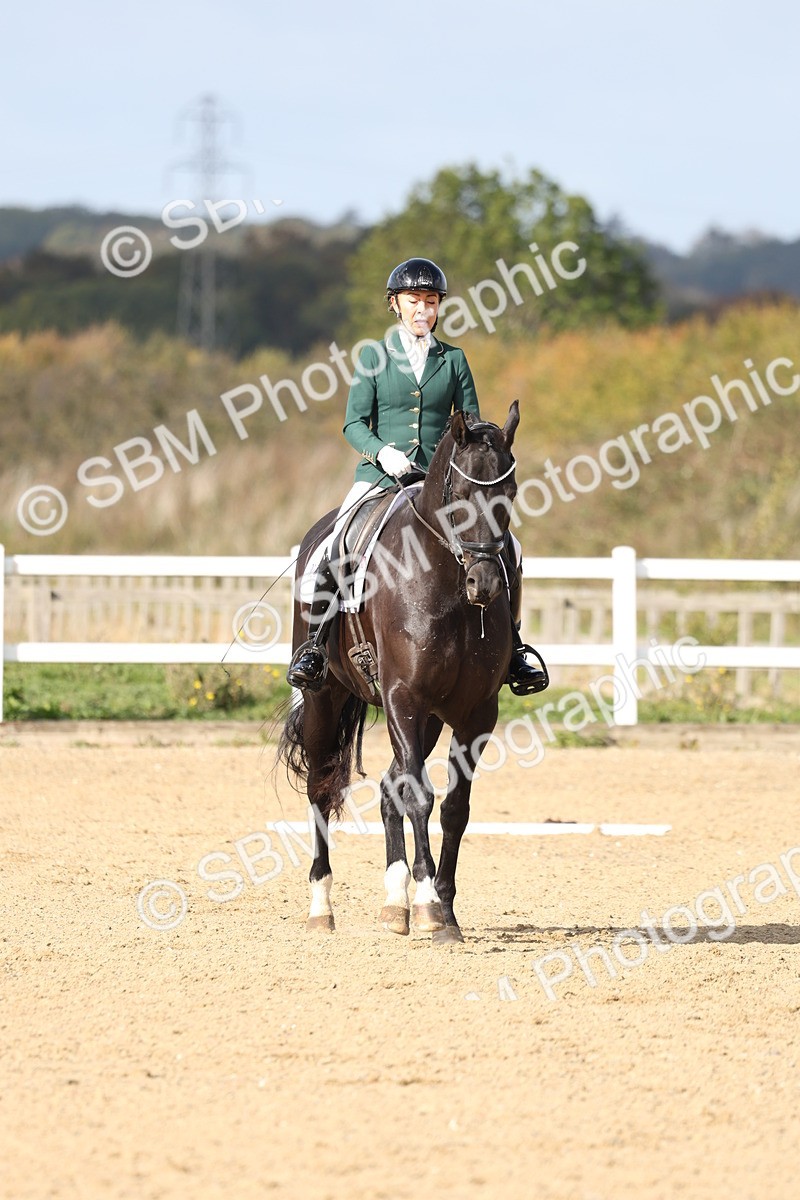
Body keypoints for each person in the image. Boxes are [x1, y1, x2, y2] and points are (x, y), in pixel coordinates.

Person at [286, 257, 547, 694]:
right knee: (333, 548)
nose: (422, 309)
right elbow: (353, 424)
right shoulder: (373, 356)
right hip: (380, 477)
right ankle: (315, 644)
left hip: (441, 484)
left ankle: (515, 649)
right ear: (395, 304)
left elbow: (472, 426)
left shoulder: (454, 359)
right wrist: (381, 452)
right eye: (414, 300)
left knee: (510, 548)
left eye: (430, 301)